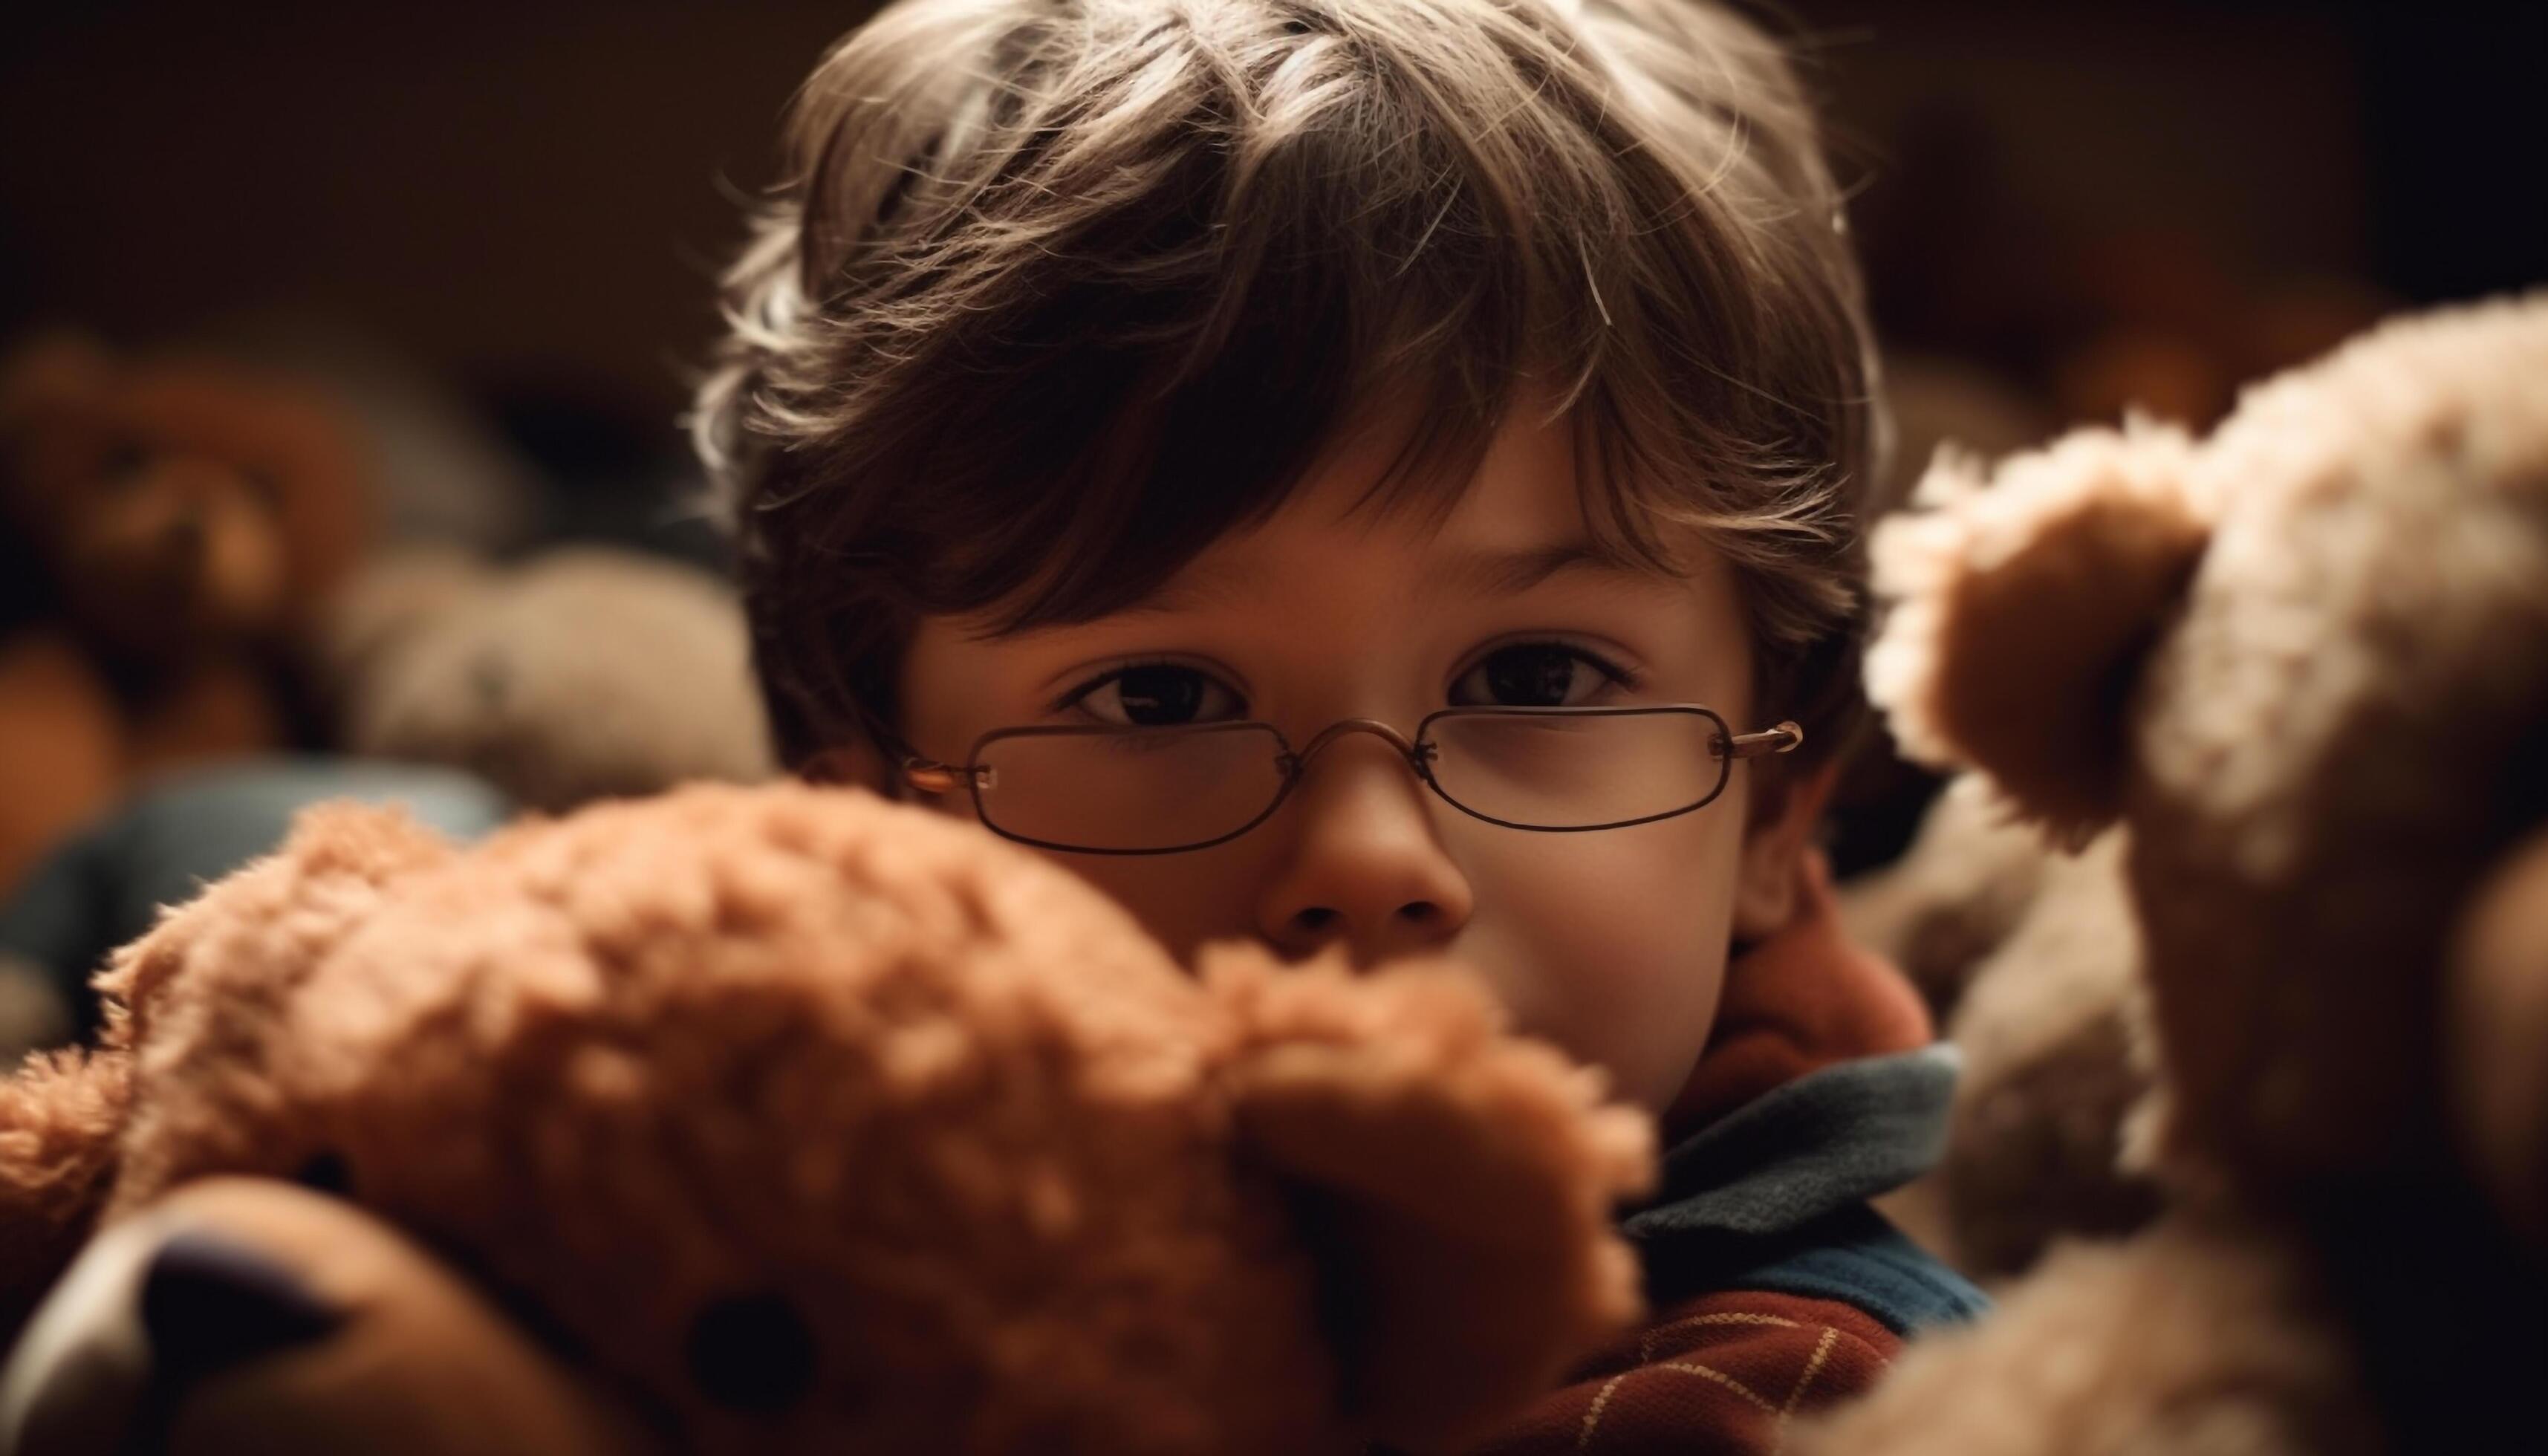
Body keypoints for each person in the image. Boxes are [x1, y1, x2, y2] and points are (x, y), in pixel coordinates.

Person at [693, 0, 1986, 1447]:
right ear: (873, 841)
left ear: (1771, 809)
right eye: (1158, 694)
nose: (1368, 859)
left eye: (1536, 678)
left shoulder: (1793, 1393)